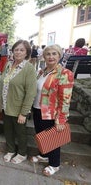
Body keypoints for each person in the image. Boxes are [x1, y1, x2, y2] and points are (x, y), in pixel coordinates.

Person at [31, 44, 74, 176]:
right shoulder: (42, 72)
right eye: (48, 54)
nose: (51, 56)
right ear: (44, 56)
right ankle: (44, 155)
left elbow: (65, 98)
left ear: (60, 56)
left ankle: (55, 164)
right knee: (41, 134)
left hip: (51, 112)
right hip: (37, 109)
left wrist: (61, 119)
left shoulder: (65, 74)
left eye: (54, 54)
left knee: (53, 139)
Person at [0, 40, 37, 164]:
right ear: (12, 51)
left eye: (22, 50)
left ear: (27, 53)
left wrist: (24, 113)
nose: (18, 52)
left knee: (21, 133)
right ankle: (10, 150)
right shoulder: (8, 65)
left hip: (19, 108)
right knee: (8, 130)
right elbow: (2, 82)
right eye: (16, 49)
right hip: (5, 106)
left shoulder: (29, 68)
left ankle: (22, 153)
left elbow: (31, 92)